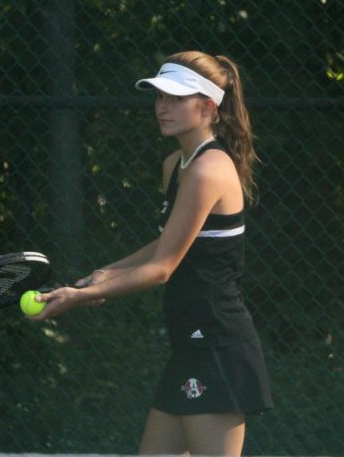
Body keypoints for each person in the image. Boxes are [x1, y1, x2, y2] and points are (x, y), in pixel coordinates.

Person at [31, 51, 273, 456]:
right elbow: (169, 243)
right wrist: (105, 273)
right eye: (160, 96)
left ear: (208, 106)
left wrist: (78, 297)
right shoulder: (176, 165)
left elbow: (162, 268)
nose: (163, 107)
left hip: (216, 344)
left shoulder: (206, 170)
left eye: (177, 98)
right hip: (189, 345)